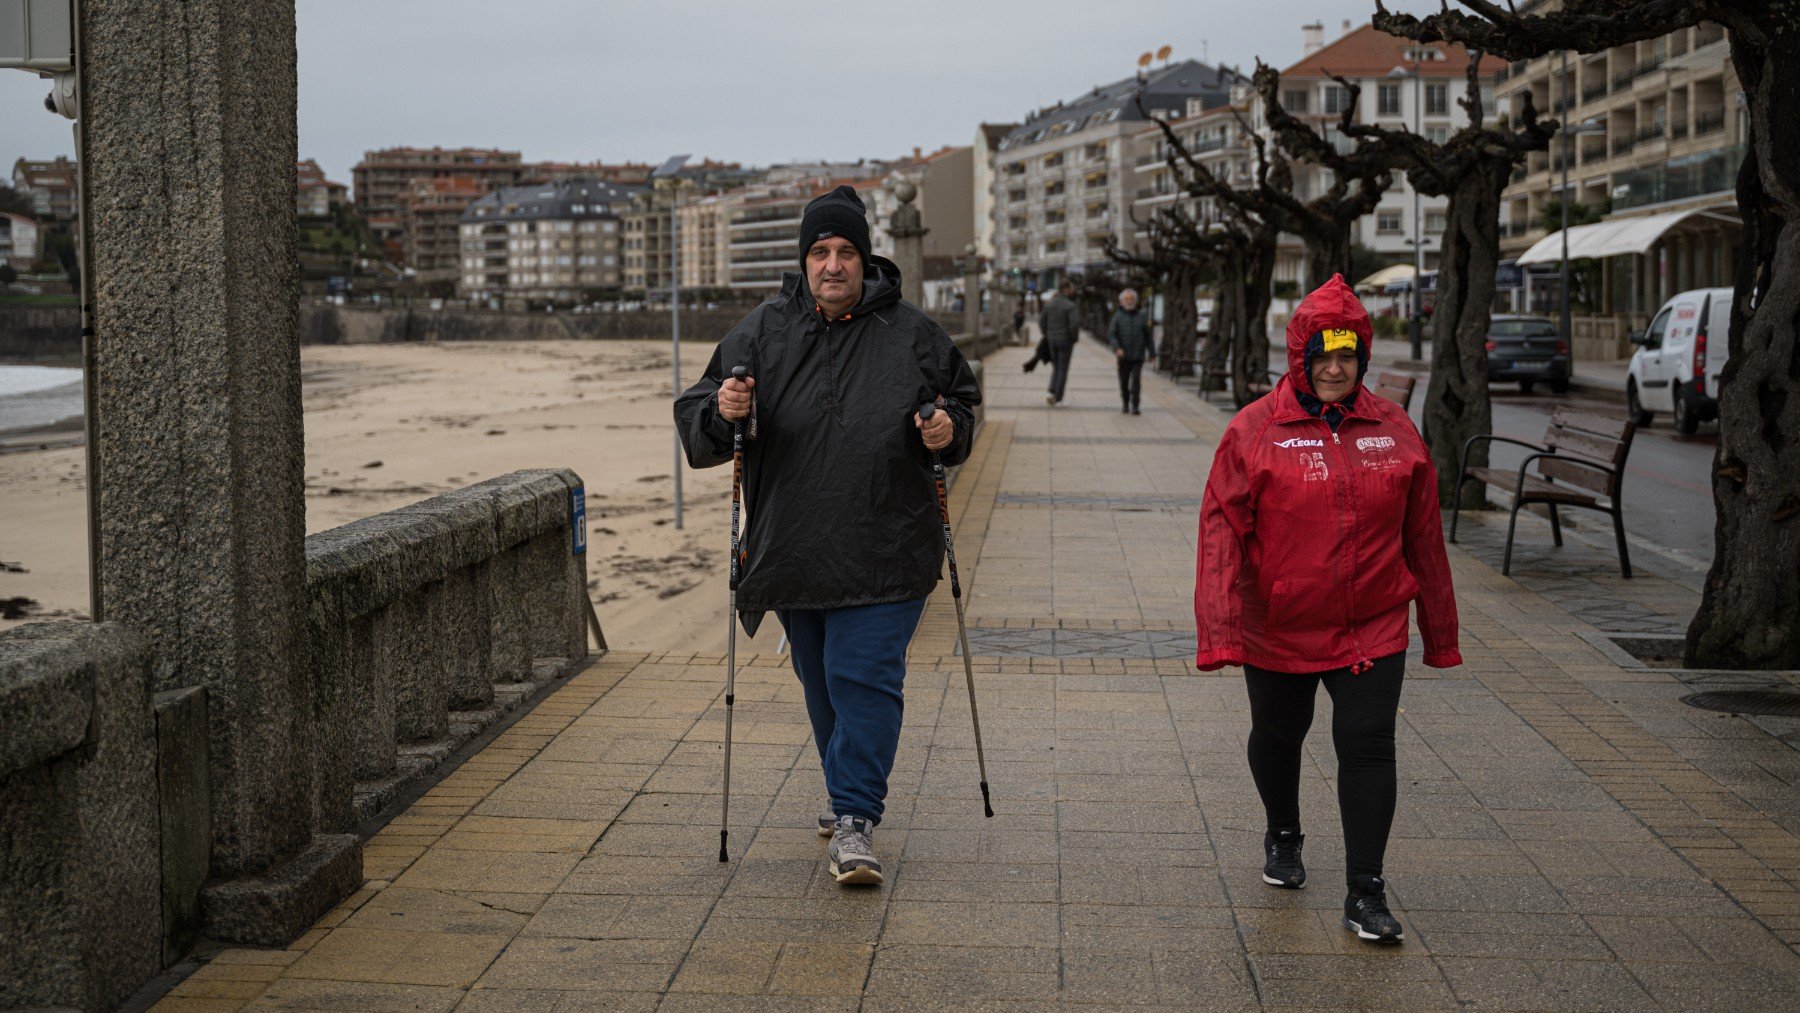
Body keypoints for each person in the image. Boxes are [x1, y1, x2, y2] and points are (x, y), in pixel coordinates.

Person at [674, 185, 980, 887]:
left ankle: (854, 819)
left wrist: (946, 428)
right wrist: (724, 408)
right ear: (804, 259)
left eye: (845, 251)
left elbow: (961, 405)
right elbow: (699, 416)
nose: (833, 264)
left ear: (865, 258)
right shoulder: (763, 331)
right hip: (794, 547)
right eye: (820, 252)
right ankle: (846, 787)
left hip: (889, 544)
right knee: (823, 687)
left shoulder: (911, 334)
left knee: (862, 675)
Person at [1192, 273, 1461, 945]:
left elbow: (1423, 534)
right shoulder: (1255, 430)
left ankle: (1365, 890)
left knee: (1368, 743)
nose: (1336, 368)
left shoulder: (1393, 428)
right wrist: (1220, 631)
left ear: (1362, 359)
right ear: (1301, 359)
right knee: (1279, 734)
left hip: (1372, 621)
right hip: (1280, 621)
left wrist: (1439, 630)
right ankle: (1283, 830)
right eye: (1324, 356)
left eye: (1348, 356)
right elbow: (1220, 530)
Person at [1106, 288, 1157, 414]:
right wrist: (1117, 348)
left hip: (1138, 355)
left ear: (1135, 301)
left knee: (1136, 381)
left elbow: (1148, 335)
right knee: (1124, 381)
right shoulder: (1117, 317)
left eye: (1131, 299)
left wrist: (1152, 352)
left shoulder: (1141, 316)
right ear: (1122, 301)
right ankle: (1125, 402)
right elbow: (1112, 334)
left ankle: (1135, 405)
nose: (1129, 301)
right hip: (1123, 355)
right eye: (1126, 299)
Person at [1040, 279, 1079, 405]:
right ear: (1066, 290)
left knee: (1056, 366)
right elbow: (1074, 325)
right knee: (1063, 368)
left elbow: (1042, 322)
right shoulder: (1070, 305)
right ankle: (1058, 397)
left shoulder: (1049, 305)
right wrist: (1074, 338)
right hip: (1065, 340)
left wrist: (1048, 334)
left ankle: (1051, 391)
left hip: (1052, 339)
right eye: (1071, 289)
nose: (1072, 291)